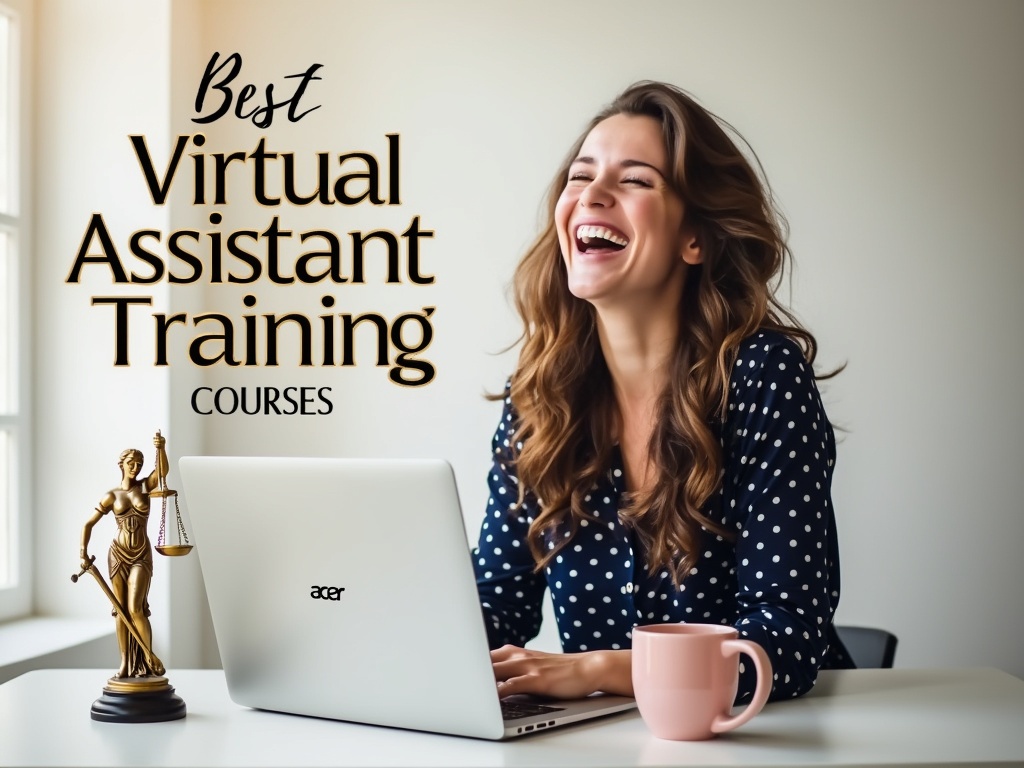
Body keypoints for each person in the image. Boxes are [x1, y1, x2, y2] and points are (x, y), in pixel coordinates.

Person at [474, 81, 851, 705]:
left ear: (695, 238)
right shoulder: (540, 396)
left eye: (636, 180)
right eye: (579, 176)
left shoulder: (762, 379)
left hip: (766, 735)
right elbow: (495, 606)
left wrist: (598, 670)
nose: (591, 195)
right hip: (611, 745)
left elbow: (782, 648)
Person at [80, 433, 169, 678]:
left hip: (141, 554)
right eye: (131, 463)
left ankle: (149, 660)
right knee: (120, 610)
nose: (135, 467)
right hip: (117, 555)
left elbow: (161, 473)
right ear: (122, 465)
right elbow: (89, 524)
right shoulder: (111, 496)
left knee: (136, 608)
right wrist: (83, 553)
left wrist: (160, 448)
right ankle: (125, 664)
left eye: (139, 464)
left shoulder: (145, 487)